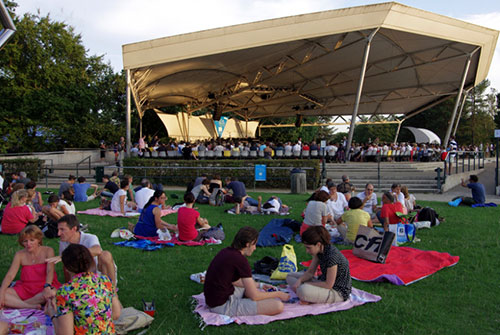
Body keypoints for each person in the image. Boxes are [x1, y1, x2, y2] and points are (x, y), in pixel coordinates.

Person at [204, 226, 289, 316]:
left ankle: (248, 300)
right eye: (254, 244)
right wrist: (278, 294)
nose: (255, 248)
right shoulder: (240, 260)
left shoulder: (226, 251)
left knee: (249, 288)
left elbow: (235, 281)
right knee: (277, 306)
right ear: (248, 244)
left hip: (213, 300)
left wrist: (260, 285)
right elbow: (255, 296)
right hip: (222, 306)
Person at [45, 244, 121, 334]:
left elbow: (65, 333)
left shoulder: (66, 291)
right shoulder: (105, 281)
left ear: (67, 268)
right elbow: (116, 313)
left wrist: (53, 314)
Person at [286, 226, 351, 304]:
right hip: (322, 281)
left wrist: (306, 284)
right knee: (290, 276)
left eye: (309, 248)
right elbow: (310, 272)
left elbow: (328, 285)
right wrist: (299, 281)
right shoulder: (320, 251)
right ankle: (307, 295)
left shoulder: (331, 257)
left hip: (337, 292)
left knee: (303, 290)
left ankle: (308, 296)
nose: (307, 251)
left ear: (318, 244)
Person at [47, 215, 118, 287]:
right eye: (58, 230)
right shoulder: (63, 242)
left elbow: (97, 250)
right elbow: (66, 267)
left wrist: (69, 255)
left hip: (99, 273)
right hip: (81, 276)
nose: (58, 233)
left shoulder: (90, 237)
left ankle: (112, 290)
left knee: (105, 255)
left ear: (74, 229)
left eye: (62, 229)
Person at [0, 226, 60, 309]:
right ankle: (30, 306)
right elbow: (10, 275)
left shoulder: (48, 250)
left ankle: (16, 305)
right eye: (25, 241)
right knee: (3, 293)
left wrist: (47, 286)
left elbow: (50, 271)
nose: (28, 244)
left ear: (39, 239)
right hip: (25, 288)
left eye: (32, 240)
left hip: (45, 286)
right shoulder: (19, 254)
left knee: (51, 294)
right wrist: (1, 292)